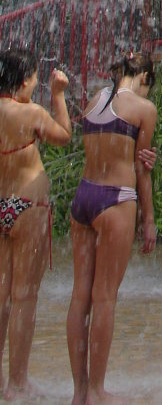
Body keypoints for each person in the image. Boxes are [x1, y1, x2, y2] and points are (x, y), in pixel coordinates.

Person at [67, 51, 157, 405]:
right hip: (116, 200)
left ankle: (79, 392)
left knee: (80, 296)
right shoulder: (143, 109)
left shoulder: (94, 100)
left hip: (83, 198)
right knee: (104, 297)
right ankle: (97, 391)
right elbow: (141, 169)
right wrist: (148, 220)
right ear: (145, 77)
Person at [0, 47, 72, 400]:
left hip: (0, 204)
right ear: (24, 80)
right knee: (24, 296)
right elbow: (63, 136)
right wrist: (58, 95)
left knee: (1, 297)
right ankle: (17, 382)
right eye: (34, 80)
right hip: (28, 206)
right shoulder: (30, 112)